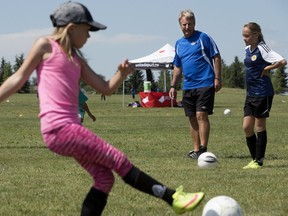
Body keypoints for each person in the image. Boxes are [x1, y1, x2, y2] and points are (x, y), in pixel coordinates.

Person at [0, 2, 204, 215]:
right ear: (71, 28)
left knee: (104, 179)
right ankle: (172, 197)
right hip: (60, 128)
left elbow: (105, 88)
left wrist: (121, 74)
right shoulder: (45, 45)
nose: (89, 37)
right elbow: (18, 77)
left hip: (66, 131)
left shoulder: (77, 60)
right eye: (87, 31)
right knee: (119, 160)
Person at [169, 9, 222, 159]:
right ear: (180, 25)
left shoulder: (203, 37)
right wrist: (173, 86)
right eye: (184, 24)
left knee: (201, 115)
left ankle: (204, 149)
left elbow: (216, 57)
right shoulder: (179, 43)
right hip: (188, 86)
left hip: (205, 82)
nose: (187, 27)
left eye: (190, 24)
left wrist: (217, 78)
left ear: (194, 23)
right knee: (192, 117)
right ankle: (196, 149)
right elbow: (178, 67)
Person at [241, 22, 287, 169]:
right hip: (250, 93)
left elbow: (282, 61)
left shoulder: (262, 48)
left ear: (256, 35)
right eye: (243, 35)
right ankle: (254, 159)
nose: (244, 38)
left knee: (259, 126)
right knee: (247, 127)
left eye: (247, 35)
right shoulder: (248, 49)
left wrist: (268, 68)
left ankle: (258, 161)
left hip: (263, 92)